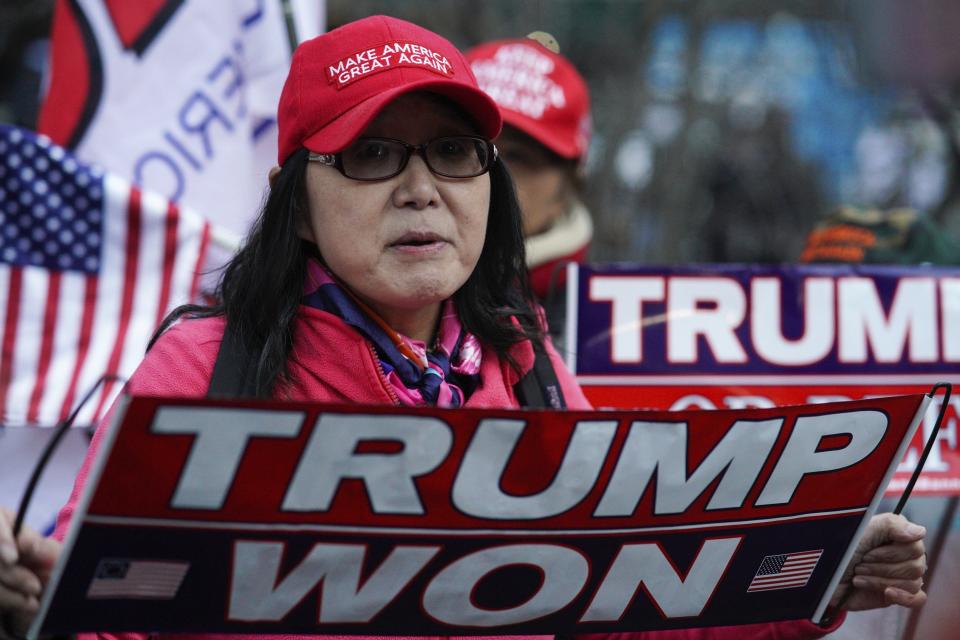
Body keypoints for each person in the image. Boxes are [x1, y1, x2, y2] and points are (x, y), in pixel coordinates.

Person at [0, 15, 927, 640]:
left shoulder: (532, 370)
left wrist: (809, 583)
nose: (421, 187)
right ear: (300, 205)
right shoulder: (206, 363)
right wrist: (37, 605)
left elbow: (631, 610)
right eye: (371, 153)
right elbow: (104, 606)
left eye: (454, 152)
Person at [465, 35, 594, 342]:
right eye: (465, 149)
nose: (489, 172)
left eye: (519, 158)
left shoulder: (602, 327)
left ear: (569, 187)